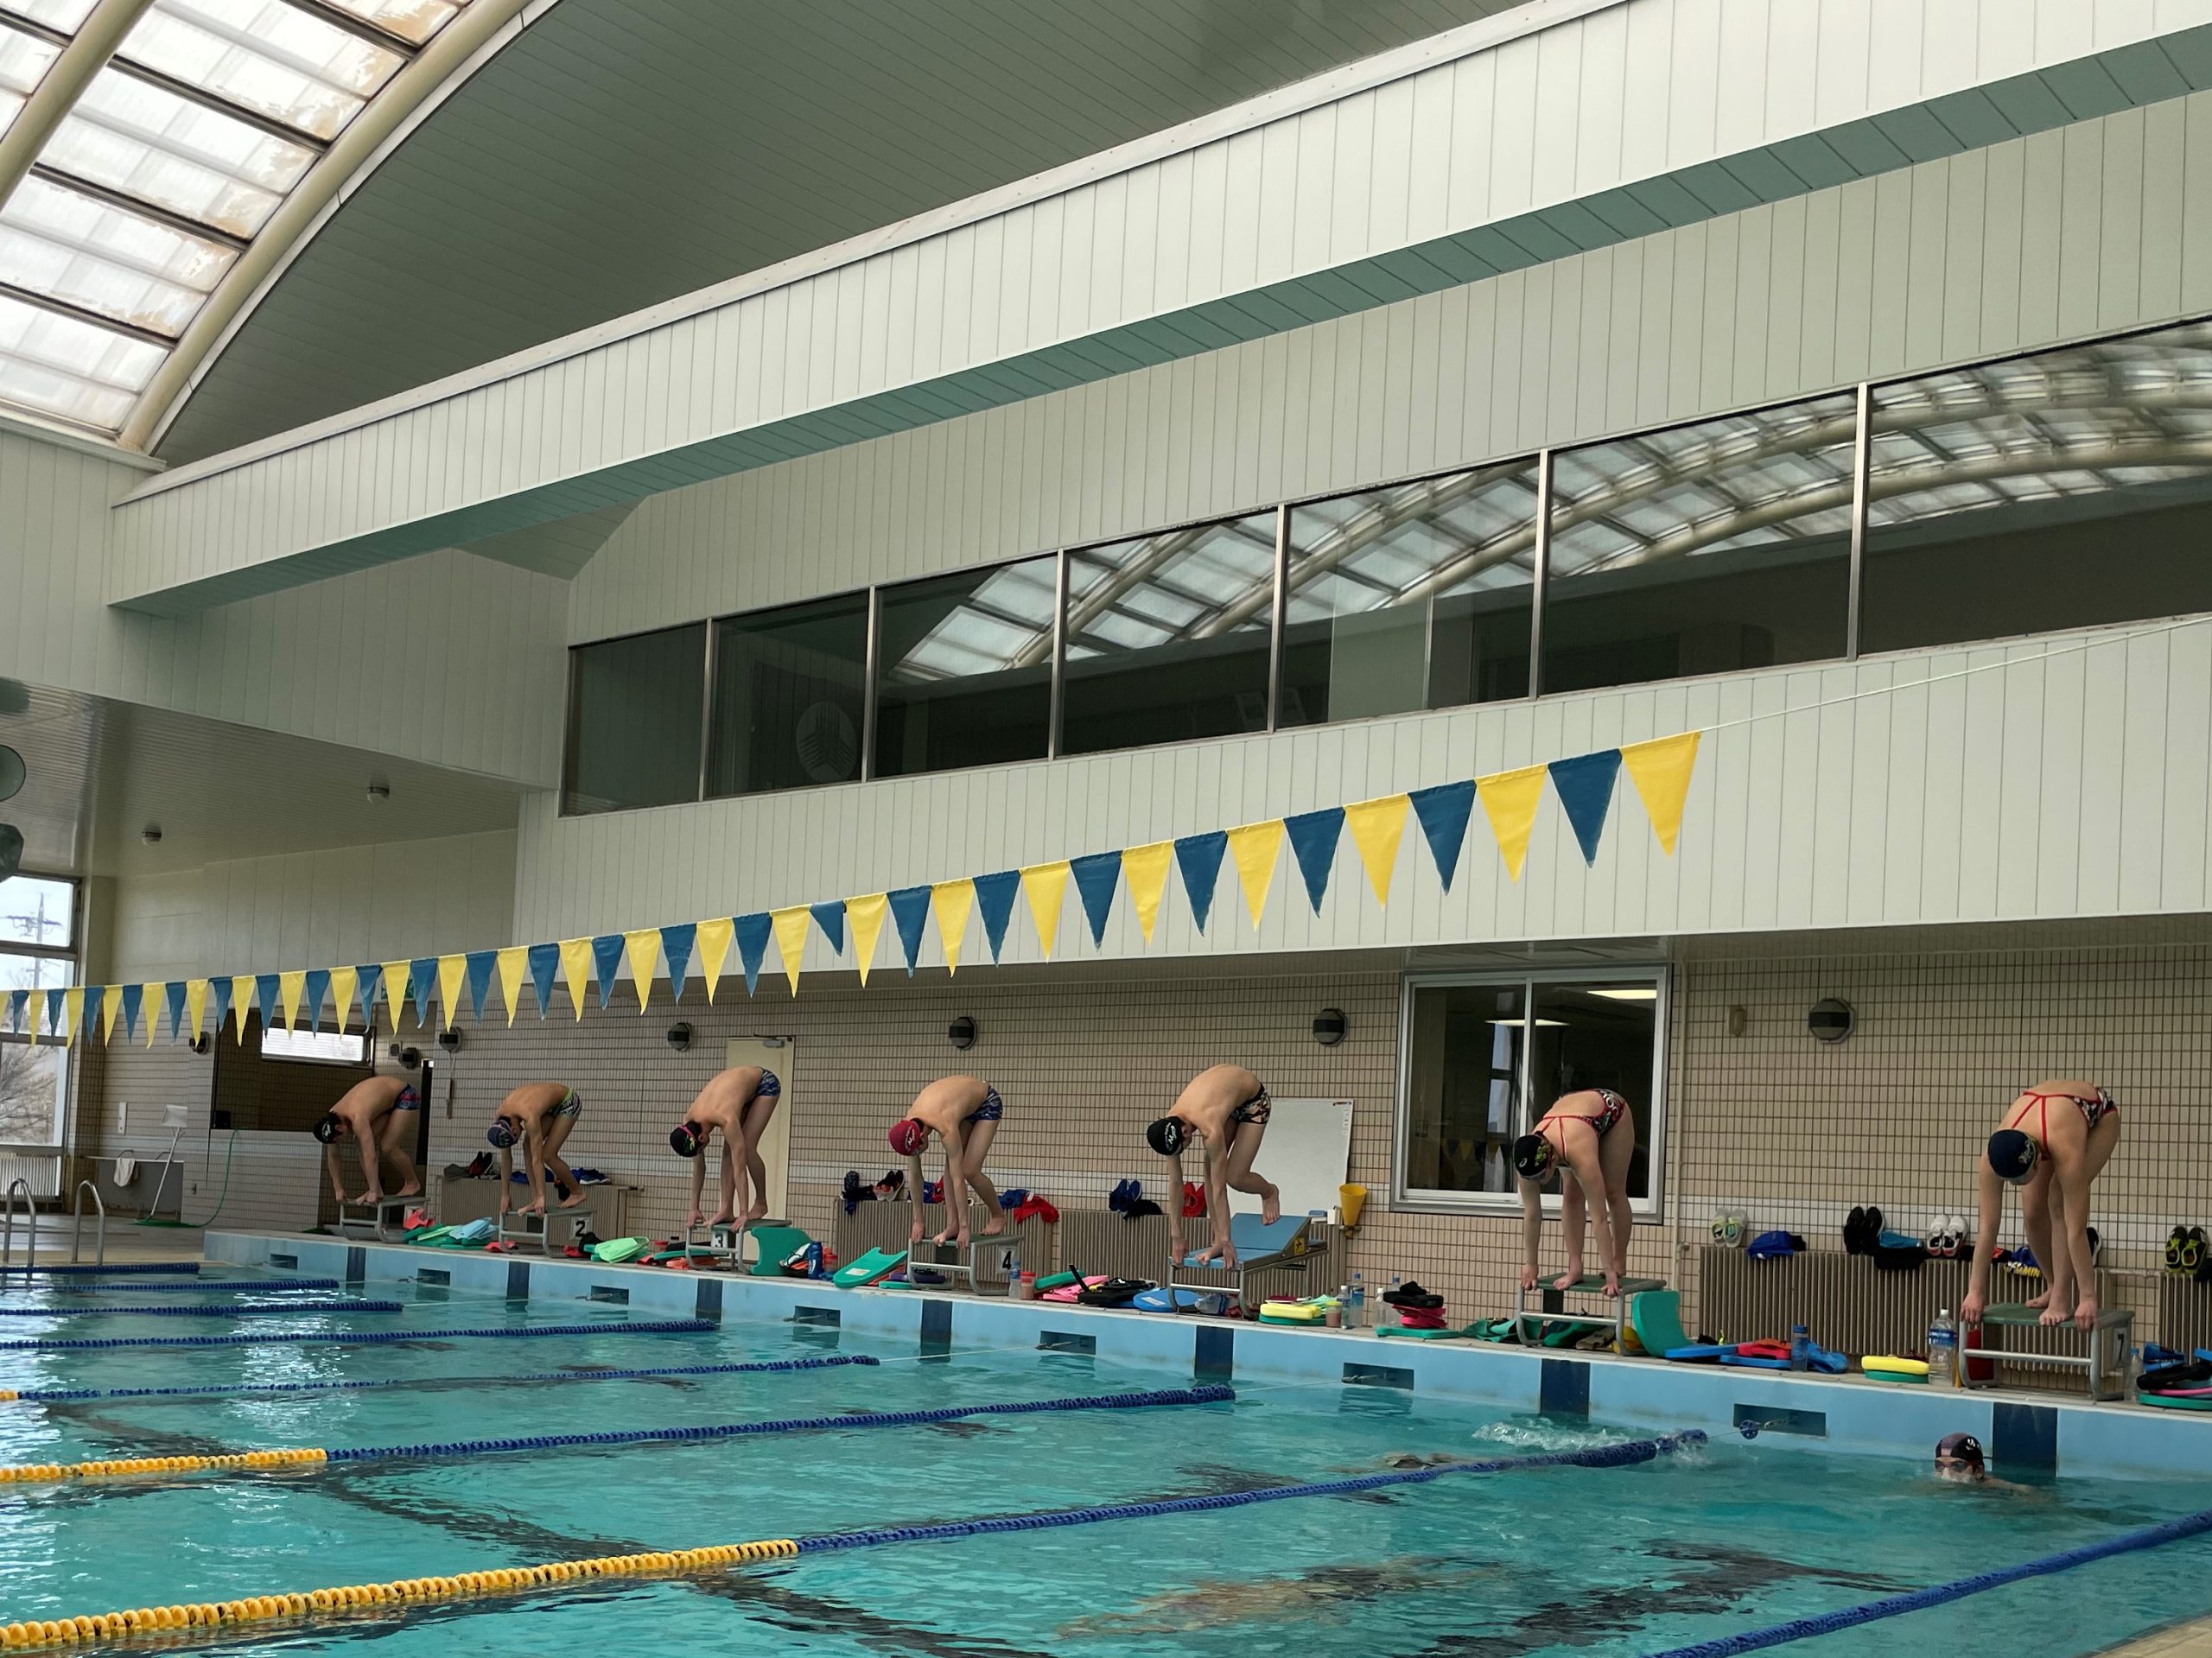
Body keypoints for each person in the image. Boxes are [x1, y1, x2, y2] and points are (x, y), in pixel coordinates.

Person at [1964, 1080, 2120, 1332]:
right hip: (2044, 1114)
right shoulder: (1990, 1160)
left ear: (2037, 1156)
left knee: (2057, 1197)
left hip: (2096, 1116)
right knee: (2033, 1211)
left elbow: (2076, 1229)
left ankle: (2061, 1296)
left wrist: (2088, 1298)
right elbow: (1987, 1226)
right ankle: (2052, 1285)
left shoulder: (2063, 1147)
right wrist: (1975, 1291)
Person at [1148, 1064, 1281, 1271]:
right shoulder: (1169, 1125)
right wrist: (1176, 1235)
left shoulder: (1210, 1129)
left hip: (1253, 1101)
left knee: (1234, 1177)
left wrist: (1229, 1241)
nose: (1183, 1150)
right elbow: (1175, 1182)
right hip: (1227, 1100)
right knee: (1209, 1173)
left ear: (1185, 1130)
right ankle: (1217, 1241)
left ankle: (1269, 1192)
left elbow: (1219, 1189)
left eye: (1182, 1147)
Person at [1513, 1088, 1636, 1297]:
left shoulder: (1579, 1152)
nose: (1537, 1183)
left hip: (1609, 1110)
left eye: (1540, 1177)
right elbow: (1532, 1215)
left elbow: (1598, 1218)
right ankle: (1575, 1267)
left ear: (1551, 1161)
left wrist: (1609, 1274)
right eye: (1531, 1179)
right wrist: (1531, 1264)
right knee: (1570, 1194)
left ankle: (1618, 1261)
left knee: (1612, 1192)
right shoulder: (1527, 1159)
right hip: (1568, 1116)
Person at [889, 1076, 1007, 1250]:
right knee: (950, 1168)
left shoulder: (946, 1128)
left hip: (986, 1101)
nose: (916, 1154)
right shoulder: (908, 1129)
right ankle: (953, 1225)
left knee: (968, 1171)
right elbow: (915, 1176)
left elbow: (958, 1180)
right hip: (961, 1105)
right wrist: (918, 1221)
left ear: (921, 1138)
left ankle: (998, 1215)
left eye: (917, 1151)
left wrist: (966, 1228)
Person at [670, 1065, 783, 1228]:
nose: (702, 1151)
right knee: (728, 1151)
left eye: (702, 1149)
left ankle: (761, 1203)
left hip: (764, 1084)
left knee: (747, 1148)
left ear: (702, 1137)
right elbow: (699, 1167)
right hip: (739, 1091)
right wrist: (694, 1208)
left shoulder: (725, 1118)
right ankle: (726, 1209)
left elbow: (740, 1167)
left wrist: (743, 1213)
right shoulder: (688, 1124)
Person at [311, 1075, 422, 1206]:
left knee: (388, 1147)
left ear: (339, 1127)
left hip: (405, 1096)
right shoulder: (331, 1118)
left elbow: (370, 1155)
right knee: (359, 1141)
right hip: (386, 1104)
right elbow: (333, 1156)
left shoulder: (357, 1118)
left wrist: (372, 1192)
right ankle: (378, 1190)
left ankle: (412, 1182)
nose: (340, 1142)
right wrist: (338, 1188)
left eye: (339, 1139)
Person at [488, 1083, 586, 1216]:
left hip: (568, 1101)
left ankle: (576, 1192)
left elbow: (537, 1160)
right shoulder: (500, 1120)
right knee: (527, 1146)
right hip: (549, 1107)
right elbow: (506, 1158)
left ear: (512, 1128)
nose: (521, 1132)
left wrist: (542, 1196)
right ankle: (535, 1199)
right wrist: (505, 1194)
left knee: (547, 1154)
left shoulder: (529, 1116)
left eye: (516, 1135)